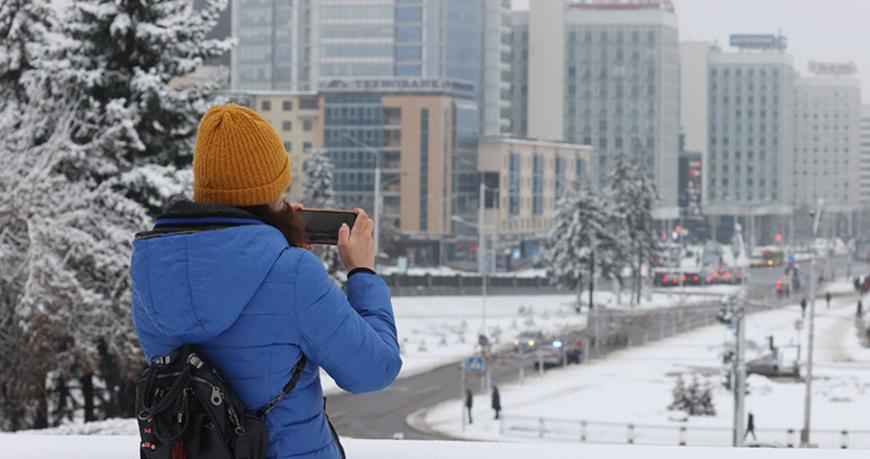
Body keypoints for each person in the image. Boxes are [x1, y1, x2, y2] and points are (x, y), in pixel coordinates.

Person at [130, 104, 402, 459]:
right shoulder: (293, 273)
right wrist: (362, 272)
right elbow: (374, 370)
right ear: (270, 190)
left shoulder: (151, 268)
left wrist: (278, 246)